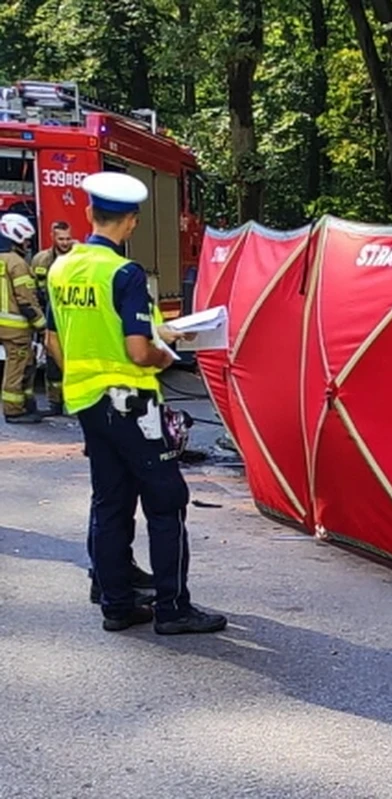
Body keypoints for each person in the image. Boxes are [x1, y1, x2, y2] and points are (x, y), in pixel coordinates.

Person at [45, 172, 226, 635]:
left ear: (88, 215)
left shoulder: (60, 268)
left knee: (110, 502)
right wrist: (167, 352)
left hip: (86, 401)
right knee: (167, 500)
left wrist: (85, 378)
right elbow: (138, 351)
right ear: (132, 223)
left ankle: (117, 604)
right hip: (132, 404)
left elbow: (53, 340)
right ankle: (172, 609)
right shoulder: (124, 274)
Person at [0, 212, 45, 424]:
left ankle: (26, 402)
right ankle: (13, 410)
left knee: (27, 362)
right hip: (16, 328)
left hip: (4, 324)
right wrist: (42, 326)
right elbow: (26, 300)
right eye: (26, 239)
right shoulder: (17, 263)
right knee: (17, 365)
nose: (28, 244)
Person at [31, 220, 74, 415]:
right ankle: (55, 404)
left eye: (67, 238)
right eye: (61, 238)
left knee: (75, 362)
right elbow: (35, 291)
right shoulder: (41, 260)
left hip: (74, 316)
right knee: (52, 364)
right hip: (51, 314)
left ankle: (76, 402)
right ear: (53, 237)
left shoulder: (78, 258)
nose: (65, 243)